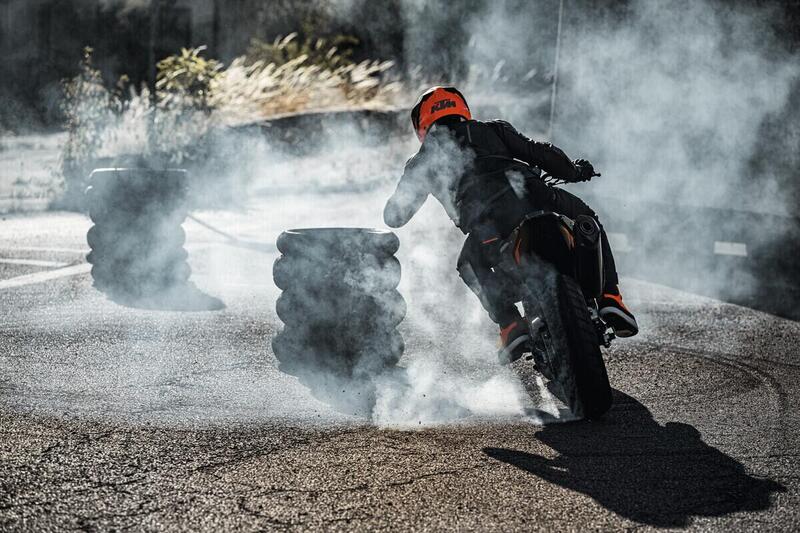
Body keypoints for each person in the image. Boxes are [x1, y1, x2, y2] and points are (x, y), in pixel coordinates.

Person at [384, 86, 638, 361]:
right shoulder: (493, 129)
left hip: (490, 223)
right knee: (587, 220)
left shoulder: (423, 159)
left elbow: (395, 217)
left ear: (422, 123)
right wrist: (574, 171)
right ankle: (611, 297)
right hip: (535, 195)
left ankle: (510, 324)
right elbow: (540, 153)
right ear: (461, 108)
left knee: (468, 264)